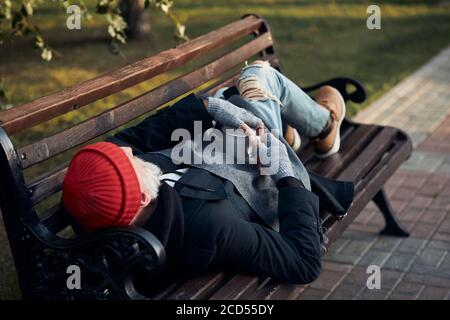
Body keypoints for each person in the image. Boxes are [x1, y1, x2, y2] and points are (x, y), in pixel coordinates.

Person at [61, 60, 354, 289]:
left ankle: (303, 128)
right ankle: (324, 127)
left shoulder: (110, 196)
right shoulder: (209, 227)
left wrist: (212, 107)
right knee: (259, 76)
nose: (127, 152)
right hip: (272, 174)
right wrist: (282, 171)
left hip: (233, 139)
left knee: (251, 85)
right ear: (142, 197)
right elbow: (303, 263)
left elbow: (124, 143)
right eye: (127, 162)